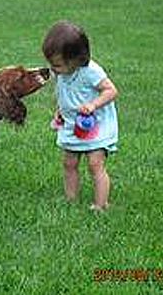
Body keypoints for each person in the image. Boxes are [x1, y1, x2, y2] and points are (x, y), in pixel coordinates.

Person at [42, 21, 118, 211]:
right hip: (72, 125)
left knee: (94, 164)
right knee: (69, 163)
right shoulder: (62, 72)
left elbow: (111, 91)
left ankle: (100, 205)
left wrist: (93, 104)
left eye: (57, 64)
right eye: (51, 64)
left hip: (95, 125)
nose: (53, 69)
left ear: (76, 59)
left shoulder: (91, 71)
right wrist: (59, 111)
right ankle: (70, 200)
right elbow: (64, 94)